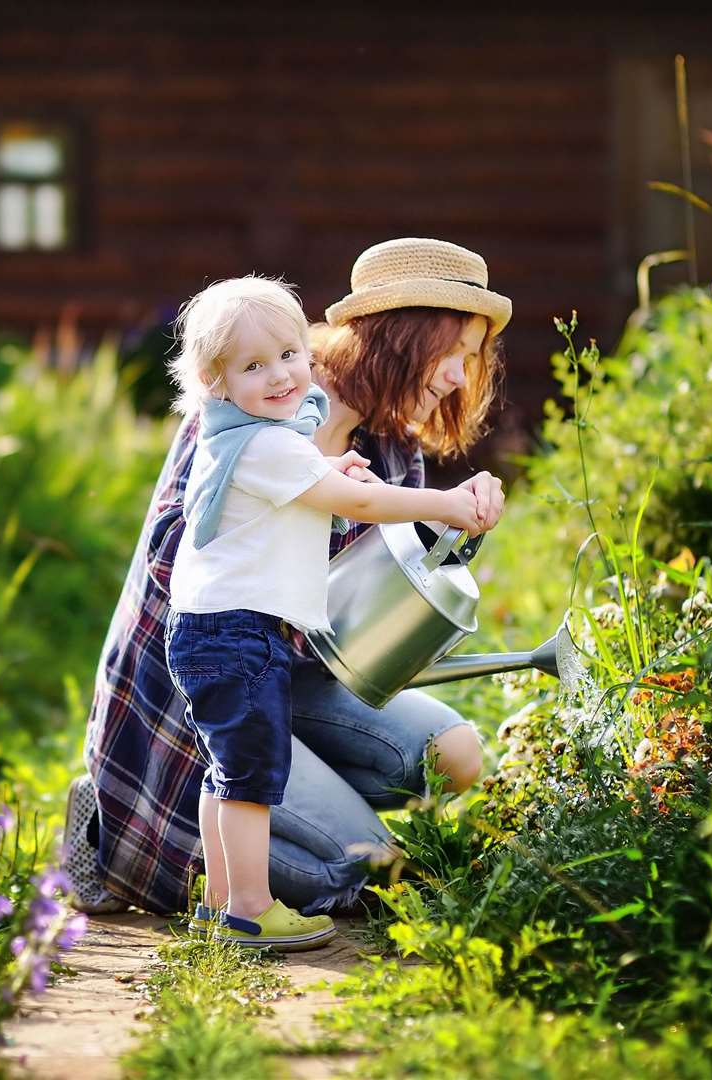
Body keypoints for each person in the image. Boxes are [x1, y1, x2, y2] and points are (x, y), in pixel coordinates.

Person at [66, 238, 511, 918]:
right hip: (202, 688)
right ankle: (115, 827)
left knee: (452, 755)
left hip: (296, 671)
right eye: (452, 350)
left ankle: (309, 807)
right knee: (360, 873)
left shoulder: (388, 445)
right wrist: (311, 504)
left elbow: (374, 613)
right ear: (402, 337)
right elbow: (171, 571)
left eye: (472, 356)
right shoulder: (251, 404)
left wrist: (456, 526)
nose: (459, 375)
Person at [163, 276, 491, 949]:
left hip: (220, 633)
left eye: (289, 355)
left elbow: (310, 494)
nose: (283, 375)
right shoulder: (268, 443)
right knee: (249, 777)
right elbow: (358, 505)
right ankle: (250, 907)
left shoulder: (253, 436)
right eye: (255, 366)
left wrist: (337, 472)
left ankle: (223, 902)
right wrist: (445, 505)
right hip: (237, 634)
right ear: (213, 380)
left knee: (230, 773)